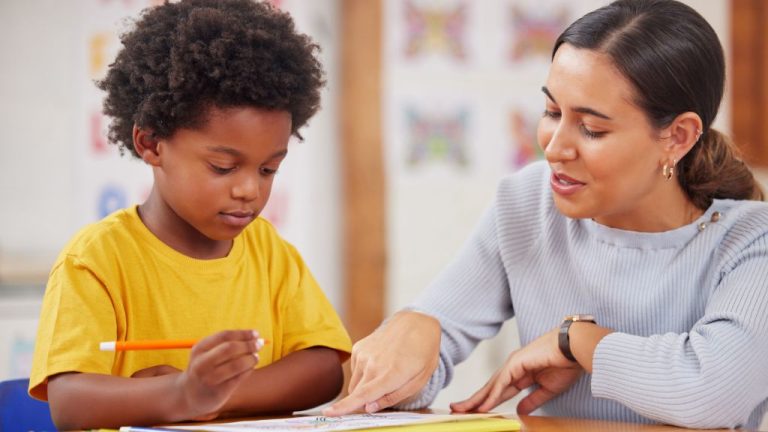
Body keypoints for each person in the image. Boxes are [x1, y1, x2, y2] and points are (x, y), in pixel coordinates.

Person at [324, 0, 768, 429]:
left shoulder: (751, 240)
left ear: (677, 136)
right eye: (552, 111)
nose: (554, 147)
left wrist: (576, 340)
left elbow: (711, 390)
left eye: (592, 128)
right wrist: (414, 332)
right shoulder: (528, 203)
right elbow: (431, 348)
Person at [28, 0, 352, 429]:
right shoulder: (96, 259)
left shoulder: (269, 252)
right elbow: (69, 403)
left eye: (269, 169)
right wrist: (181, 394)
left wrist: (218, 393)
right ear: (151, 144)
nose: (249, 189)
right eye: (223, 167)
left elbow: (324, 369)